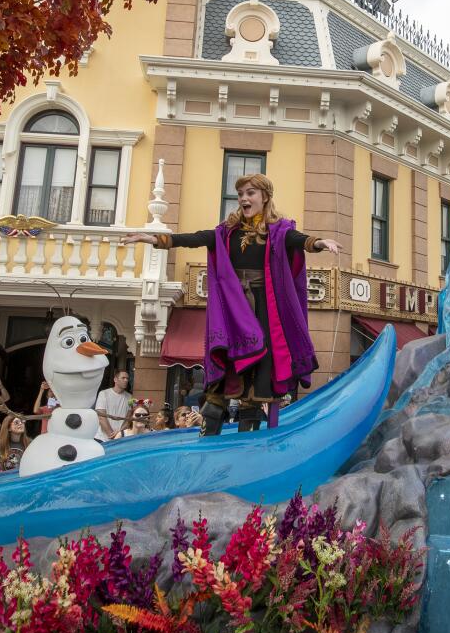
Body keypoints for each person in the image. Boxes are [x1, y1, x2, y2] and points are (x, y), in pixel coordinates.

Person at [122, 173, 340, 435]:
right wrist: (154, 239)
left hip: (264, 310)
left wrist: (320, 243)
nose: (244, 198)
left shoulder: (279, 231)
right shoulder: (227, 232)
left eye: (250, 193)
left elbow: (299, 240)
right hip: (233, 310)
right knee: (220, 381)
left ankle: (248, 442)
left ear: (265, 197)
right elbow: (194, 238)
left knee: (258, 380)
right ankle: (209, 436)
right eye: (241, 194)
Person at [94, 370, 132, 441]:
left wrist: (119, 433)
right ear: (115, 379)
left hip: (119, 438)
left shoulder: (129, 397)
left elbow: (128, 419)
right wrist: (112, 435)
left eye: (127, 378)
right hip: (102, 438)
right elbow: (101, 417)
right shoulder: (104, 394)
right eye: (123, 378)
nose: (126, 380)